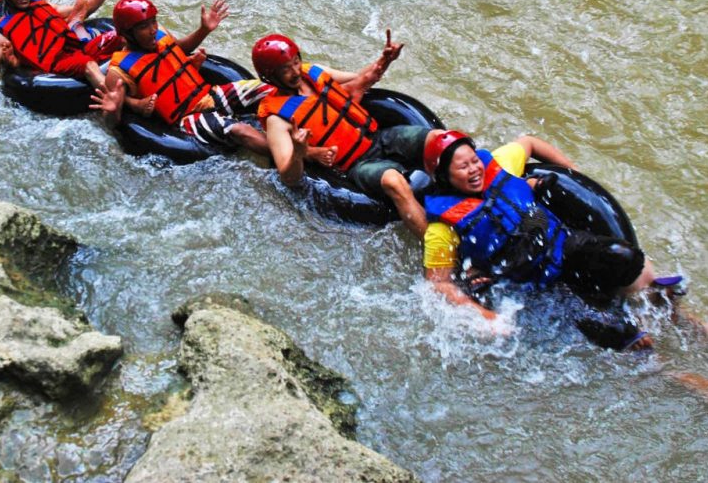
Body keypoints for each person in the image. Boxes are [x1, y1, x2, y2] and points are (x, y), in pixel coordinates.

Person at [421, 130, 657, 349]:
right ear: (444, 176)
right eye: (463, 167)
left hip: (563, 246)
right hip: (529, 282)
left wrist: (576, 175)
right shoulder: (442, 228)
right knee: (615, 333)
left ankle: (648, 301)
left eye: (474, 161)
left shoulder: (498, 164)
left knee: (624, 256)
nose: (474, 169)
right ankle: (643, 351)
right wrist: (487, 317)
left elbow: (530, 143)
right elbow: (438, 284)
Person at [251, 32, 443, 238]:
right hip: (355, 165)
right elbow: (289, 177)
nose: (295, 71)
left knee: (439, 137)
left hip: (377, 138)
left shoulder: (314, 73)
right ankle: (436, 250)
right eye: (285, 69)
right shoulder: (276, 119)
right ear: (270, 76)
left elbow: (360, 79)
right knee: (394, 181)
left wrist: (384, 60)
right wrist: (299, 152)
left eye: (295, 62)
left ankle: (476, 190)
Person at [90, 0, 278, 155]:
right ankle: (292, 155)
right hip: (187, 119)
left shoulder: (159, 35)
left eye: (153, 21)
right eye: (143, 27)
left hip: (209, 95)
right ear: (127, 35)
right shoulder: (118, 71)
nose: (153, 29)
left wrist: (203, 30)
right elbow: (113, 122)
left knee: (264, 89)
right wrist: (113, 111)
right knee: (240, 130)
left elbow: (180, 49)